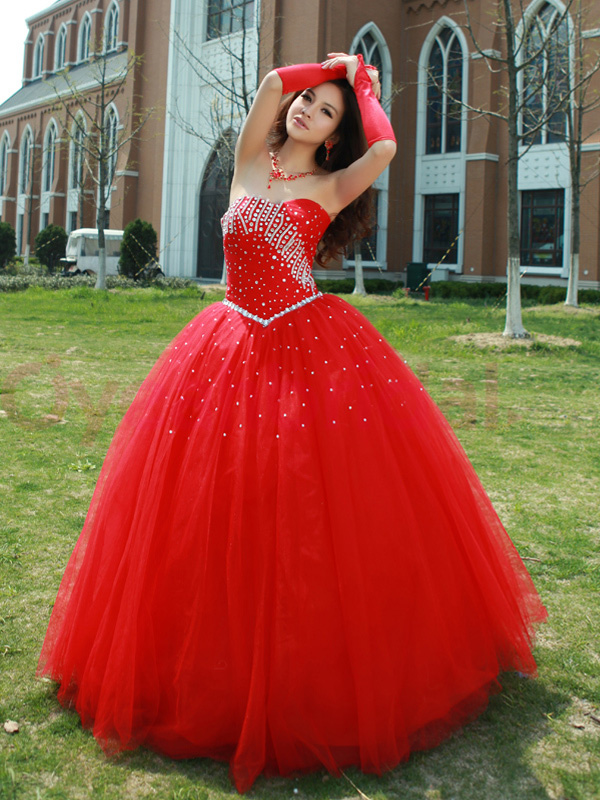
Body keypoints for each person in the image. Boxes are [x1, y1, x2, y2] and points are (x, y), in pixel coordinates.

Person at [38, 53, 547, 793]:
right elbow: (275, 83)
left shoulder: (334, 183)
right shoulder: (251, 157)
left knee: (312, 504)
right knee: (209, 506)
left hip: (309, 344)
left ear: (336, 137)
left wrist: (362, 89)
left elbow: (390, 150)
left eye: (326, 112)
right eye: (311, 102)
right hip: (228, 341)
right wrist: (324, 67)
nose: (308, 109)